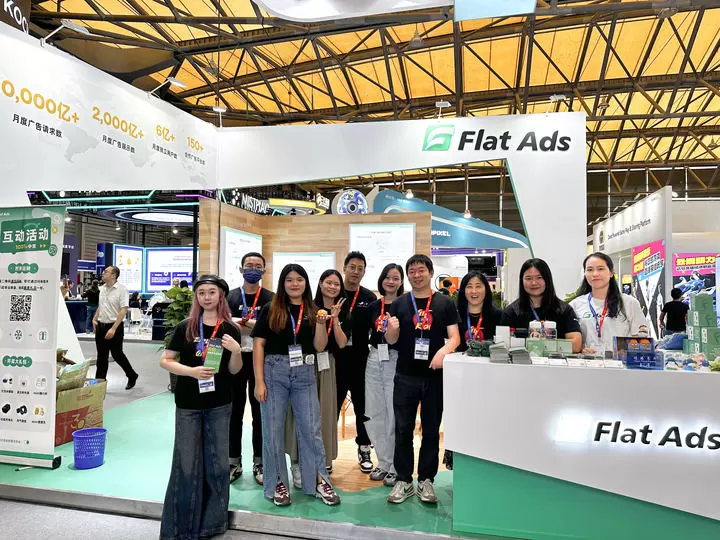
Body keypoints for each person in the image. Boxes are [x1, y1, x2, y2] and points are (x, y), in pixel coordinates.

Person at [159, 275, 244, 540]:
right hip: (188, 404)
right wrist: (191, 372)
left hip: (220, 404)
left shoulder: (230, 329)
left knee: (218, 465)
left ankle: (213, 524)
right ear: (197, 297)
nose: (206, 297)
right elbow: (166, 360)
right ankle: (181, 529)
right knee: (186, 465)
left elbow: (234, 370)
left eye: (212, 292)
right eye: (202, 293)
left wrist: (237, 351)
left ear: (221, 296)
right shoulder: (186, 327)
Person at [251, 264, 340, 507]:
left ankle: (319, 480)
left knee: (311, 429)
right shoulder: (271, 308)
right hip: (274, 371)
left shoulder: (314, 309)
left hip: (305, 372)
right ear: (283, 283)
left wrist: (321, 323)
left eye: (299, 279)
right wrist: (259, 381)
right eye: (289, 279)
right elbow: (259, 344)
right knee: (273, 430)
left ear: (306, 283)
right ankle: (277, 483)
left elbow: (320, 346)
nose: (294, 284)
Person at [385, 254, 460, 505]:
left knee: (431, 431)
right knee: (403, 429)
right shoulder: (399, 303)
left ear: (430, 272)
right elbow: (391, 340)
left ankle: (426, 480)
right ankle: (404, 480)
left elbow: (455, 337)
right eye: (412, 271)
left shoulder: (444, 303)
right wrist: (392, 330)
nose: (416, 275)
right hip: (405, 375)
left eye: (421, 270)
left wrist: (443, 352)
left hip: (435, 377)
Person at [286, 269, 348, 487]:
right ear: (320, 284)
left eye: (336, 284)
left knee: (325, 414)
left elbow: (342, 343)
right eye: (328, 282)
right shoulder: (308, 307)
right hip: (305, 363)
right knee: (299, 414)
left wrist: (336, 318)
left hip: (328, 365)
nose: (332, 287)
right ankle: (297, 461)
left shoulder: (342, 310)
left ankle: (324, 460)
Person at [226, 252, 274, 485]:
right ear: (241, 269)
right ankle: (233, 461)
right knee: (234, 412)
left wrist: (245, 323)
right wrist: (254, 324)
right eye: (249, 265)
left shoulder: (271, 298)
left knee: (260, 413)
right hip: (235, 359)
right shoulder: (230, 296)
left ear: (264, 270)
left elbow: (272, 327)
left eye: (257, 266)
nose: (253, 269)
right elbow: (224, 325)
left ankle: (260, 462)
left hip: (260, 360)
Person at [335, 251, 377, 473]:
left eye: (360, 268)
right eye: (352, 267)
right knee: (331, 406)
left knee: (363, 407)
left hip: (361, 360)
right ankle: (327, 451)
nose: (356, 271)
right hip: (336, 359)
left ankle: (364, 448)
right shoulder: (333, 292)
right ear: (344, 268)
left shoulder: (369, 298)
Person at [364, 263, 404, 486]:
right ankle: (383, 462)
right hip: (374, 359)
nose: (391, 281)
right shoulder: (373, 306)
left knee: (394, 413)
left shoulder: (405, 305)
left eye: (395, 278)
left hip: (395, 360)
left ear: (401, 282)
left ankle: (396, 465)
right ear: (381, 279)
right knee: (375, 412)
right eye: (387, 277)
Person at [570, 252, 648, 354]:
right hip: (587, 361)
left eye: (600, 269)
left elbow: (642, 338)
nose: (595, 274)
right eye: (589, 270)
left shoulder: (629, 303)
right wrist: (580, 350)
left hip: (621, 361)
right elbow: (569, 339)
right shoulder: (575, 305)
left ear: (611, 273)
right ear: (585, 273)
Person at [501, 258, 582, 352]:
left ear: (547, 279)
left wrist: (540, 345)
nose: (534, 283)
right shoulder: (512, 312)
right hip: (523, 361)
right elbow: (504, 345)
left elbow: (576, 345)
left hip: (556, 361)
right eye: (528, 278)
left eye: (539, 277)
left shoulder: (564, 310)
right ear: (521, 281)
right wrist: (556, 345)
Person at [92, 266, 139, 389]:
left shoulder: (122, 290)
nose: (103, 273)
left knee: (117, 354)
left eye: (106, 272)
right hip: (101, 326)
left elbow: (123, 310)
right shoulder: (102, 289)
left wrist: (113, 328)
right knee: (101, 356)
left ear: (113, 275)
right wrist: (95, 318)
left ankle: (132, 375)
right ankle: (99, 384)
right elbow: (101, 305)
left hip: (115, 326)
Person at [457, 271, 503, 350]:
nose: (474, 291)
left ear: (486, 289)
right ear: (463, 290)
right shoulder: (456, 316)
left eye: (478, 286)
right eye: (469, 287)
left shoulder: (498, 316)